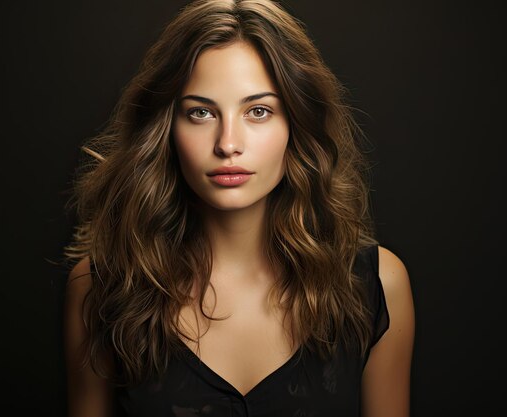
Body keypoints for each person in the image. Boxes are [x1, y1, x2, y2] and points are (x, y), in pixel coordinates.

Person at [63, 0, 415, 416]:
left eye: (258, 111)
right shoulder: (101, 286)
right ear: (166, 129)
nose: (228, 143)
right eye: (200, 113)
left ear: (296, 125)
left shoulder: (376, 286)